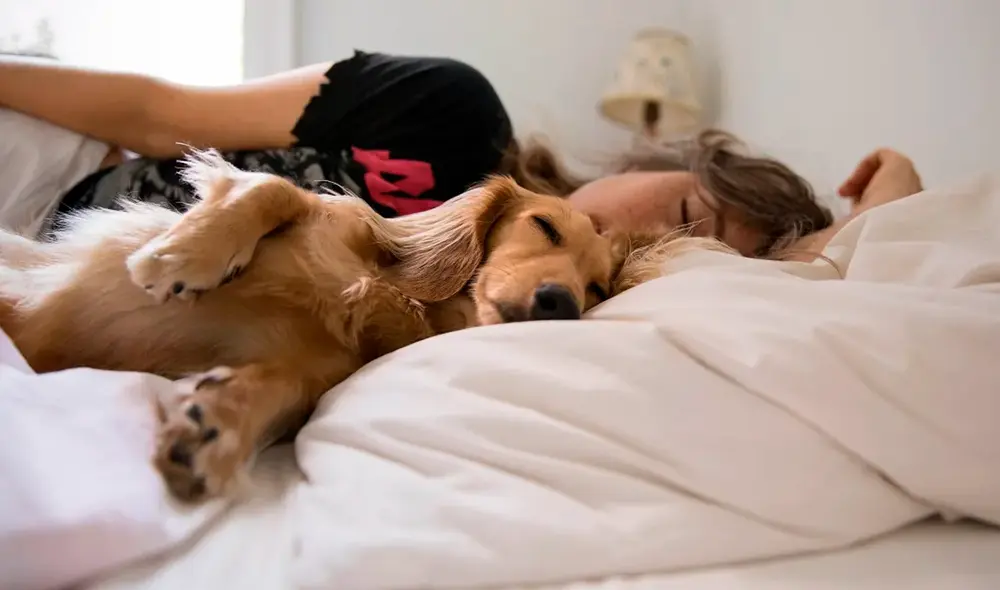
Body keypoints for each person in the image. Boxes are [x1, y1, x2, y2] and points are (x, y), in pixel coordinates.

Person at [0, 51, 922, 260]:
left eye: (687, 253)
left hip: (52, 275)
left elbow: (823, 294)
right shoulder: (445, 109)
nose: (643, 239)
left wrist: (890, 210)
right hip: (55, 171)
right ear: (653, 159)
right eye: (681, 212)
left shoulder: (518, 304)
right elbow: (160, 111)